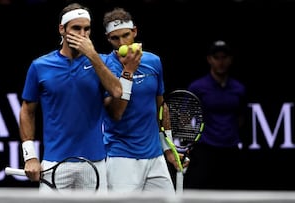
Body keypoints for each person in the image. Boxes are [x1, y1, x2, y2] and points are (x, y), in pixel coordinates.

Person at [18, 2, 126, 193]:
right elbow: (27, 110)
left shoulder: (102, 62)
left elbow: (118, 92)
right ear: (62, 29)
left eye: (87, 29)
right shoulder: (40, 66)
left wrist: (92, 56)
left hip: (95, 162)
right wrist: (30, 156)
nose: (83, 34)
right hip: (54, 162)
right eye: (76, 28)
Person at [101, 7, 181, 194]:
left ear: (135, 32)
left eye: (126, 35)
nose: (122, 43)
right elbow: (116, 112)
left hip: (155, 156)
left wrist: (168, 148)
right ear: (108, 39)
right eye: (115, 38)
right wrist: (128, 71)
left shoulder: (154, 62)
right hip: (122, 158)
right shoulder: (105, 67)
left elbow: (161, 106)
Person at [184, 40, 247, 190]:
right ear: (209, 59)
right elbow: (185, 117)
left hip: (230, 150)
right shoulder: (197, 87)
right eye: (216, 57)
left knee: (232, 194)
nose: (221, 62)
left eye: (224, 57)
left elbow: (241, 118)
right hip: (205, 150)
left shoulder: (239, 89)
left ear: (230, 59)